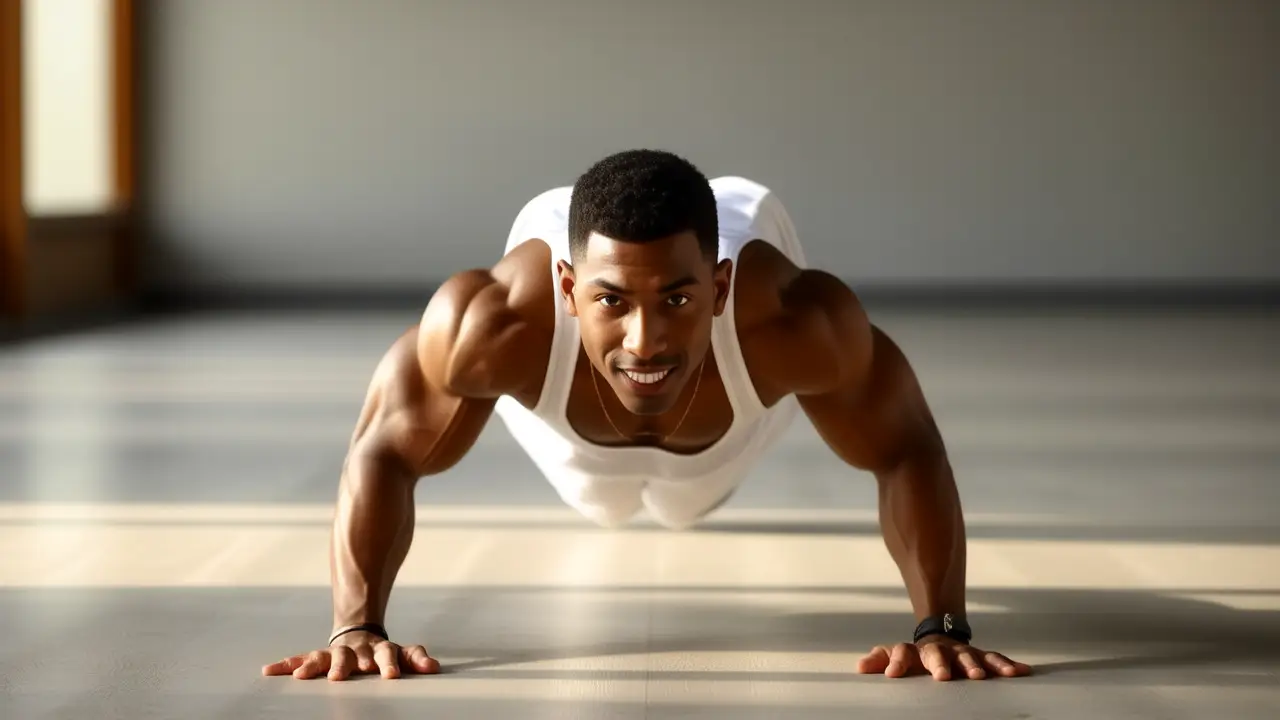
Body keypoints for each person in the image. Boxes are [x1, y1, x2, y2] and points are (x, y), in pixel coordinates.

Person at [261, 149, 1033, 683]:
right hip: (568, 443)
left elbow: (905, 447)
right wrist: (354, 626)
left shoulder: (798, 324)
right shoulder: (493, 325)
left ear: (722, 287)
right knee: (609, 500)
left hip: (729, 437)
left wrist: (942, 625)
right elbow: (383, 450)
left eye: (678, 299)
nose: (646, 338)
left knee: (687, 500)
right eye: (610, 301)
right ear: (567, 288)